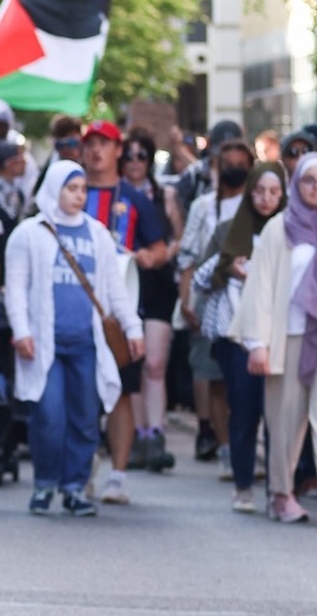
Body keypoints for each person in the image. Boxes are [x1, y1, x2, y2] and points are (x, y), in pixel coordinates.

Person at [6, 161, 144, 516]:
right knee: (48, 416)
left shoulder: (97, 233)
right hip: (45, 343)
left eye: (83, 189)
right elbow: (17, 289)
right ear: (54, 188)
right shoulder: (29, 233)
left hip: (87, 344)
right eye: (71, 188)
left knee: (85, 417)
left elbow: (115, 289)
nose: (79, 195)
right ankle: (44, 483)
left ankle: (74, 487)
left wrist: (133, 328)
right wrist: (21, 331)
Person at [78, 120, 170, 503]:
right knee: (80, 393)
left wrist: (147, 256)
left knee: (121, 393)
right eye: (91, 144)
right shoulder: (70, 192)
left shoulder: (134, 198)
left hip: (119, 312)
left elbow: (161, 247)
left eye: (105, 144)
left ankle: (117, 474)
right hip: (77, 310)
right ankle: (80, 470)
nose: (97, 151)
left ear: (119, 150)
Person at [229, 151, 317, 523]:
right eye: (309, 180)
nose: (315, 188)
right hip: (288, 337)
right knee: (285, 419)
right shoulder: (279, 228)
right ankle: (282, 493)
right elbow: (260, 289)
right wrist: (257, 343)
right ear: (296, 185)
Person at [195, 159, 286, 512]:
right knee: (245, 412)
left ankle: (280, 489)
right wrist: (229, 269)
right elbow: (203, 278)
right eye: (259, 191)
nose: (266, 199)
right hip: (237, 336)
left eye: (274, 192)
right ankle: (244, 484)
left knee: (278, 415)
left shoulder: (292, 230)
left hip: (280, 334)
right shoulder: (232, 230)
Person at [177, 135, 255, 467]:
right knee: (216, 378)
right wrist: (186, 300)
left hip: (253, 306)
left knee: (248, 384)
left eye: (241, 165)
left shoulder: (261, 207)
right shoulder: (204, 206)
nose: (235, 170)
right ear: (217, 167)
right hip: (213, 302)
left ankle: (244, 445)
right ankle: (225, 447)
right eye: (229, 165)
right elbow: (189, 255)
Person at [119, 129, 179, 472]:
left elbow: (177, 238)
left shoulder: (164, 195)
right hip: (126, 281)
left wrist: (157, 255)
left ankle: (156, 434)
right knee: (133, 362)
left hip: (156, 282)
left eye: (142, 156)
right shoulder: (115, 194)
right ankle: (137, 434)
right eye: (129, 155)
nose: (135, 163)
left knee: (155, 363)